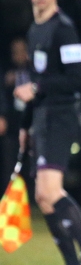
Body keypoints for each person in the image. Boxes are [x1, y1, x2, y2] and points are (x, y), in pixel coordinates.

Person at [13, 0, 81, 265]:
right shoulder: (35, 29)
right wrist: (26, 126)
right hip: (42, 118)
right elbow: (35, 85)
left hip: (61, 118)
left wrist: (37, 88)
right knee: (43, 196)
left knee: (51, 191)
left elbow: (78, 78)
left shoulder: (63, 28)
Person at [2, 39, 30, 190]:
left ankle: (31, 198)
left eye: (22, 50)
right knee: (10, 162)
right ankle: (9, 197)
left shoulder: (34, 70)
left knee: (30, 161)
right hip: (12, 123)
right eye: (16, 51)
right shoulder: (6, 70)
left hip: (30, 123)